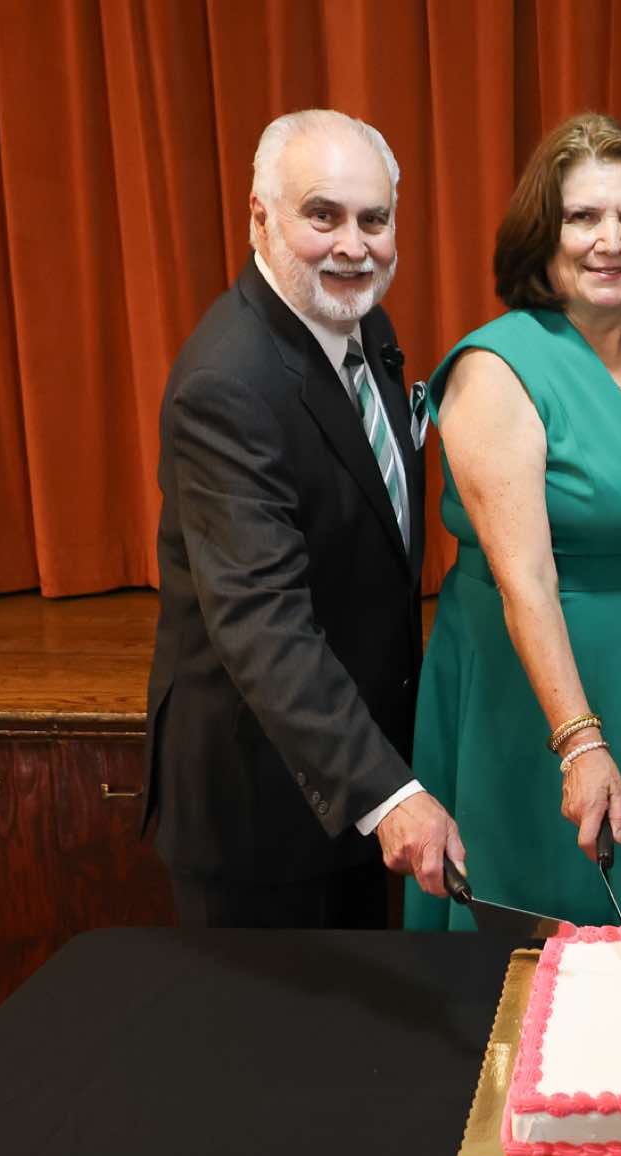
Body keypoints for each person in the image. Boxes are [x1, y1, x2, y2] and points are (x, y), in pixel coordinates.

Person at [144, 109, 462, 929]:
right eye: (323, 215)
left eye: (374, 220)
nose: (353, 246)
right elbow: (263, 622)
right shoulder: (227, 383)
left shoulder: (362, 321)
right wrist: (385, 791)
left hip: (352, 786)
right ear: (260, 216)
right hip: (261, 815)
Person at [403, 112, 621, 931]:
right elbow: (526, 580)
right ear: (543, 234)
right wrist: (578, 738)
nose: (612, 240)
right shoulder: (494, 366)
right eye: (583, 217)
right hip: (534, 688)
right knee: (546, 926)